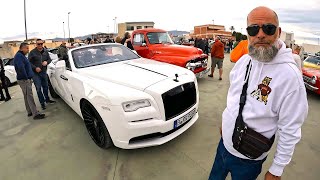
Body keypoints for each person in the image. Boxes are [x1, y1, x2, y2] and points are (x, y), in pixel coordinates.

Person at [208, 6, 308, 180]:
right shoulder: (244, 61)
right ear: (248, 33)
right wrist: (227, 123)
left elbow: (290, 128)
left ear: (278, 32)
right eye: (254, 29)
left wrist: (277, 169)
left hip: (249, 159)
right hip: (224, 146)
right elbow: (233, 97)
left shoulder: (290, 76)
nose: (260, 34)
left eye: (268, 28)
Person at [13, 43, 45, 120]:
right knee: (29, 96)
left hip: (23, 79)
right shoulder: (19, 56)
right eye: (27, 48)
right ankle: (35, 114)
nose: (28, 50)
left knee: (26, 96)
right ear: (22, 48)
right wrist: (26, 78)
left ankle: (30, 111)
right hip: (24, 80)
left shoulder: (21, 55)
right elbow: (21, 68)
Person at [29, 39, 56, 110]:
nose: (40, 45)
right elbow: (29, 63)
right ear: (36, 44)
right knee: (38, 89)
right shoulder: (32, 52)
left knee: (45, 87)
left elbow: (49, 60)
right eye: (38, 44)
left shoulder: (45, 51)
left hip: (44, 72)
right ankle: (42, 103)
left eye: (41, 44)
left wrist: (47, 62)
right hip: (36, 74)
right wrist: (35, 68)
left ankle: (47, 99)